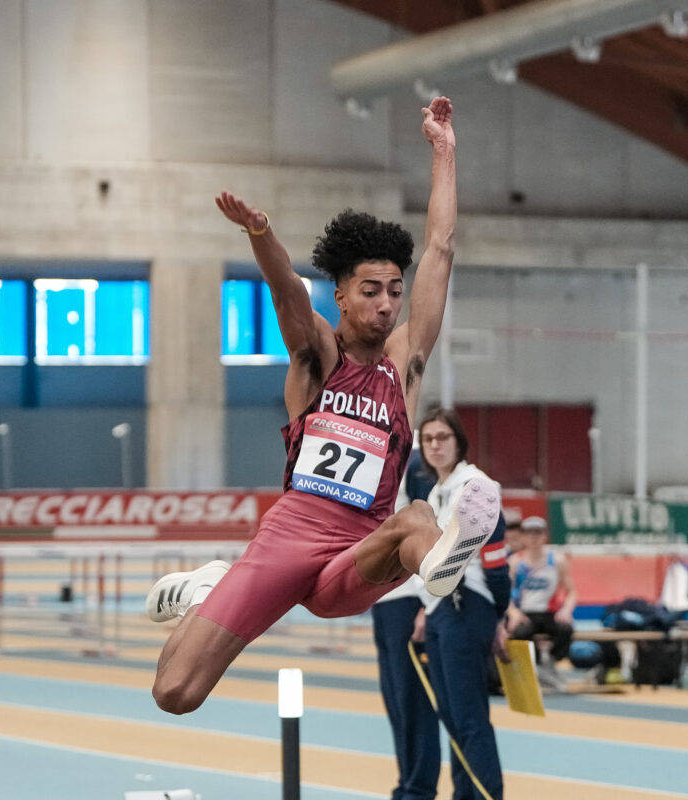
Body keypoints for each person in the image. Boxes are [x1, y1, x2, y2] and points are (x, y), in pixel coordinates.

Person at [145, 98, 504, 717]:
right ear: (340, 294)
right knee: (175, 693)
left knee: (415, 515)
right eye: (371, 291)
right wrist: (261, 235)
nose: (388, 304)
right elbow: (285, 290)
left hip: (358, 552)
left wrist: (444, 151)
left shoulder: (404, 366)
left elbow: (440, 250)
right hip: (291, 538)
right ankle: (216, 587)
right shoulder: (317, 356)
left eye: (395, 291)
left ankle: (440, 561)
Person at [417, 408, 510, 800]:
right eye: (428, 439)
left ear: (459, 441)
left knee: (469, 718)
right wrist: (425, 609)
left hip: (467, 606)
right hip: (440, 611)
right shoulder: (433, 493)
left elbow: (496, 556)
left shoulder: (477, 486)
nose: (435, 445)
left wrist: (500, 614)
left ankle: (489, 795)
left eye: (443, 437)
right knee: (452, 718)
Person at [372, 450, 439, 800]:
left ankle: (419, 788)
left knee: (414, 702)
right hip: (381, 601)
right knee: (396, 702)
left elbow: (433, 532)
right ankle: (407, 784)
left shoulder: (413, 463)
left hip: (409, 599)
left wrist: (427, 604)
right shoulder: (369, 458)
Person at [506, 516, 577, 686]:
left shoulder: (557, 560)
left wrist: (566, 610)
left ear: (545, 536)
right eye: (529, 533)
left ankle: (550, 662)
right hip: (524, 612)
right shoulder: (515, 562)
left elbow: (572, 591)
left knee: (565, 629)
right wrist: (513, 613)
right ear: (523, 536)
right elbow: (505, 594)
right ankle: (533, 668)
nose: (533, 537)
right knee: (521, 632)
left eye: (538, 533)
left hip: (549, 612)